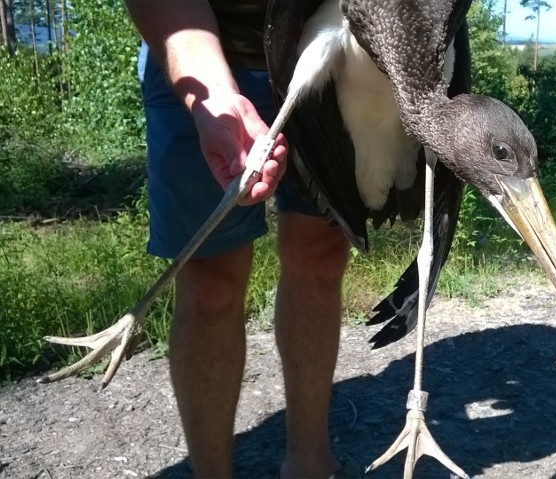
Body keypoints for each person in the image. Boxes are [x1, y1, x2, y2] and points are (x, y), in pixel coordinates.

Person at [126, 1, 351, 478]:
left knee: (322, 256)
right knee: (210, 281)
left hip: (333, 52)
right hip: (199, 57)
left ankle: (310, 464)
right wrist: (216, 97)